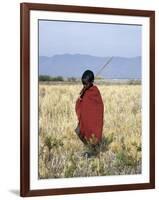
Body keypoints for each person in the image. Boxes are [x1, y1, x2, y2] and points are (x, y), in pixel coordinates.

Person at [75, 70, 104, 158]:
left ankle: (93, 150)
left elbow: (99, 107)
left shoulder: (95, 91)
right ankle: (89, 146)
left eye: (86, 84)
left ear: (91, 82)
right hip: (85, 119)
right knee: (78, 131)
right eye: (83, 84)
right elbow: (81, 104)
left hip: (93, 120)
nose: (84, 86)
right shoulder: (84, 91)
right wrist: (80, 99)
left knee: (93, 136)